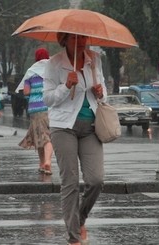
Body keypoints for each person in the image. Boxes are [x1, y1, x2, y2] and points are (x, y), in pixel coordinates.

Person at [43, 33, 107, 245]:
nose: (81, 41)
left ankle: (79, 219)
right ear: (64, 40)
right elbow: (48, 98)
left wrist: (100, 92)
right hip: (63, 128)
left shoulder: (94, 59)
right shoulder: (54, 63)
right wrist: (66, 86)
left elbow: (103, 91)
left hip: (91, 127)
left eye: (83, 37)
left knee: (96, 180)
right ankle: (74, 238)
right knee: (70, 182)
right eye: (74, 38)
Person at [18, 48, 53, 175]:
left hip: (35, 109)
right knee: (48, 135)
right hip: (50, 107)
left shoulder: (31, 72)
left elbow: (26, 91)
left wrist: (34, 92)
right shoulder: (52, 70)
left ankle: (44, 161)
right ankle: (45, 163)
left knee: (40, 136)